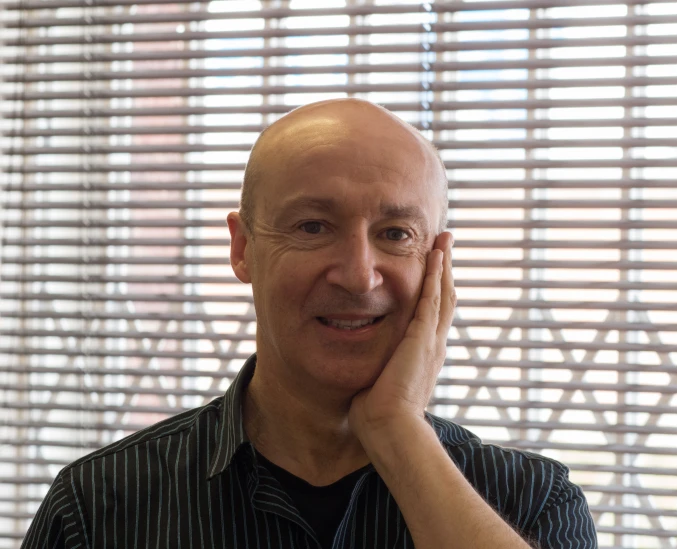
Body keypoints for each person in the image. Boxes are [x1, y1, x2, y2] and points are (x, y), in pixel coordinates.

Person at [22, 99, 597, 548]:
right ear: (243, 249)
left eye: (396, 234)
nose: (358, 275)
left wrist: (398, 429)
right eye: (313, 227)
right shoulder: (101, 507)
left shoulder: (531, 503)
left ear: (437, 266)